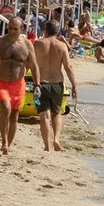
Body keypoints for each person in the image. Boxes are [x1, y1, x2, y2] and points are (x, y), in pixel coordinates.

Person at [0, 18, 34, 155]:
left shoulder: (27, 45)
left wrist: (38, 85)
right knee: (5, 108)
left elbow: (34, 66)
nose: (11, 31)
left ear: (22, 30)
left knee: (15, 115)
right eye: (10, 28)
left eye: (15, 29)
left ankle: (7, 146)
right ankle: (4, 141)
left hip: (18, 83)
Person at [32, 19, 78, 153]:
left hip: (41, 85)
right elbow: (68, 67)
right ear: (58, 32)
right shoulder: (62, 46)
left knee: (43, 115)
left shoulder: (38, 44)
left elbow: (31, 64)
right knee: (57, 113)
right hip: (57, 84)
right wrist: (74, 85)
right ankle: (56, 139)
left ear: (45, 30)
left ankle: (46, 146)